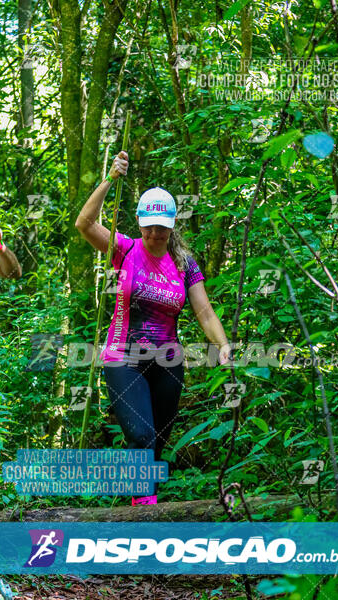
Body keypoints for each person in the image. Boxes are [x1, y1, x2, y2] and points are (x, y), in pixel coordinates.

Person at [75, 151, 231, 506]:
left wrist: (222, 344)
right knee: (142, 435)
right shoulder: (124, 249)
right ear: (140, 222)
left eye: (163, 225)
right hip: (122, 359)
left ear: (173, 224)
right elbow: (84, 223)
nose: (156, 232)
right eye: (150, 224)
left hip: (168, 364)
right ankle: (145, 520)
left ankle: (139, 507)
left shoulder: (183, 263)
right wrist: (111, 179)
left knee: (155, 443)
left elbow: (204, 311)